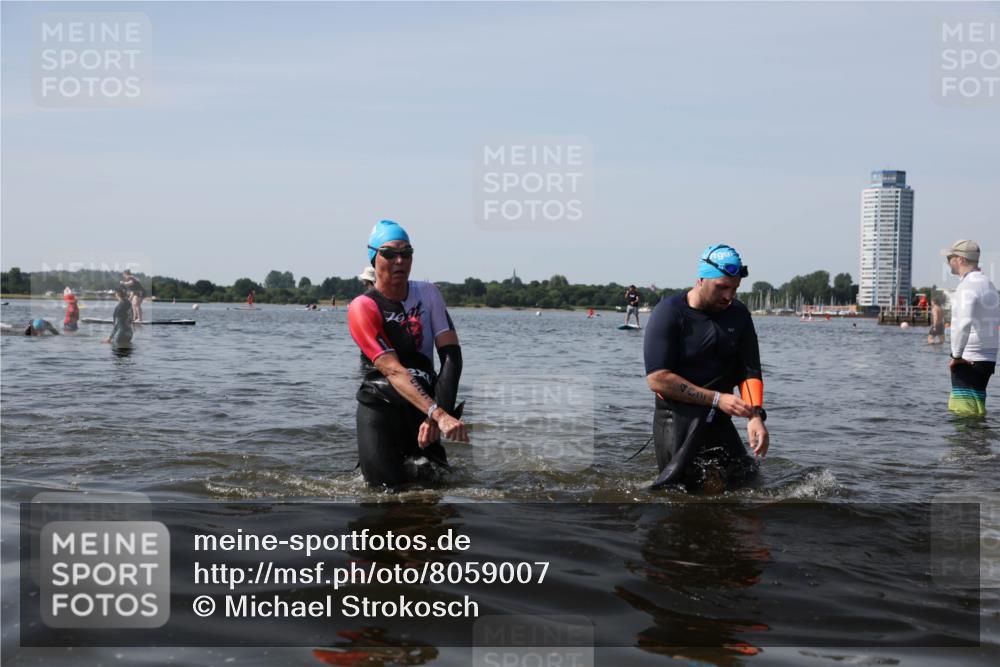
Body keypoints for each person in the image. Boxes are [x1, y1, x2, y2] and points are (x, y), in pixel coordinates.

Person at [347, 220, 469, 488]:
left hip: (423, 409)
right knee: (385, 495)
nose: (399, 260)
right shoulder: (362, 307)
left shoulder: (428, 294)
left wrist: (437, 415)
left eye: (407, 253)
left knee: (438, 486)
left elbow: (451, 357)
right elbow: (392, 370)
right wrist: (438, 414)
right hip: (380, 408)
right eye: (390, 254)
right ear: (374, 257)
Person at [643, 243, 769, 492]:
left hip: (720, 416)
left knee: (746, 482)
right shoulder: (669, 313)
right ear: (701, 279)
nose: (728, 296)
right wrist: (716, 399)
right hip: (676, 417)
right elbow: (657, 379)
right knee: (677, 492)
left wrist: (755, 416)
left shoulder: (739, 314)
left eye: (734, 289)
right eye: (722, 287)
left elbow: (749, 369)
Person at [942, 240, 999, 417]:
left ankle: (970, 445)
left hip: (969, 359)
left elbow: (963, 323)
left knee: (964, 415)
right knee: (976, 411)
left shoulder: (967, 286)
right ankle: (981, 444)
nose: (948, 261)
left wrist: (956, 356)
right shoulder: (988, 284)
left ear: (960, 259)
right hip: (987, 358)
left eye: (950, 257)